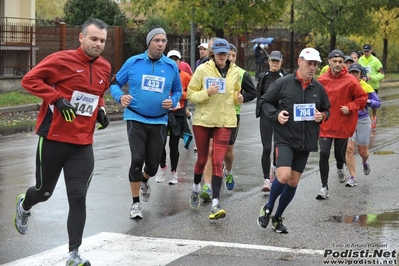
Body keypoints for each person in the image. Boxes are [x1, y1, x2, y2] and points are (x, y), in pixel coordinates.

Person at [13, 18, 111, 265]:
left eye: (102, 40)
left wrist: (101, 109)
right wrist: (56, 98)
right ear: (81, 37)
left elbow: (97, 94)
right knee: (44, 192)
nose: (98, 44)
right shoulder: (61, 60)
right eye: (94, 39)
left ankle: (73, 254)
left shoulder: (105, 67)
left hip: (83, 143)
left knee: (78, 197)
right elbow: (29, 80)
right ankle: (25, 205)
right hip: (54, 139)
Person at [110, 26, 182, 219]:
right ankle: (135, 204)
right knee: (136, 160)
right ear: (149, 42)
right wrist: (120, 97)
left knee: (151, 165)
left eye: (163, 41)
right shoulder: (133, 62)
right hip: (135, 117)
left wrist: (173, 101)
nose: (160, 44)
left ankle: (144, 180)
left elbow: (178, 91)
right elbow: (114, 83)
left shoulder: (171, 66)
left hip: (159, 120)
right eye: (156, 40)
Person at [257, 47, 330, 233]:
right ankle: (268, 207)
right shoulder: (283, 83)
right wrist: (276, 115)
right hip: (285, 138)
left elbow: (327, 110)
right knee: (283, 176)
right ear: (300, 62)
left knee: (293, 181)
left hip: (305, 142)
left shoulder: (318, 88)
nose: (312, 67)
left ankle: (277, 217)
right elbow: (264, 102)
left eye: (315, 64)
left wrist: (322, 116)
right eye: (309, 63)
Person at [187, 38, 243, 220]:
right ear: (213, 54)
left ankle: (215, 204)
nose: (222, 56)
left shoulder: (234, 71)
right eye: (219, 53)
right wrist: (206, 93)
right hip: (203, 121)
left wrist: (238, 98)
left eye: (225, 53)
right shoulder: (203, 69)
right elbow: (190, 94)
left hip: (225, 121)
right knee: (203, 160)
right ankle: (196, 188)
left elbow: (235, 92)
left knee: (218, 161)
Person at [199, 43, 257, 197]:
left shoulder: (240, 73)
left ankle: (229, 171)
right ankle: (207, 186)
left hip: (232, 115)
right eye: (227, 55)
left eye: (232, 55)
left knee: (228, 153)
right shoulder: (210, 70)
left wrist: (242, 98)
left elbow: (253, 93)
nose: (229, 58)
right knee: (210, 149)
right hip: (213, 114)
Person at [316, 49, 368, 200]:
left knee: (340, 154)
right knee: (324, 153)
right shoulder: (322, 80)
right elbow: (314, 98)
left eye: (340, 62)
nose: (337, 64)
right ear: (329, 61)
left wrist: (350, 107)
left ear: (343, 63)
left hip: (343, 124)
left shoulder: (351, 81)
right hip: (325, 123)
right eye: (335, 61)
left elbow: (362, 99)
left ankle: (340, 166)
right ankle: (324, 187)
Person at [155, 49, 191, 184]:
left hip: (178, 114)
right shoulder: (162, 73)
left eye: (177, 59)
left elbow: (192, 91)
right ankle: (162, 167)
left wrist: (180, 94)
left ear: (180, 61)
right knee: (160, 143)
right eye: (172, 59)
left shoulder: (186, 76)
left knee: (174, 145)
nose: (174, 62)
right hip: (163, 113)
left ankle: (174, 172)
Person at [345, 63, 381, 187]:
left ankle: (365, 161)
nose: (354, 75)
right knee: (349, 149)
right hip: (348, 120)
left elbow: (378, 103)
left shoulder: (366, 87)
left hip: (363, 120)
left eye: (356, 72)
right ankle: (352, 177)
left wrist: (368, 101)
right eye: (352, 72)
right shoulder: (344, 86)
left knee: (362, 152)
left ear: (361, 74)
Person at [256, 50, 285, 192]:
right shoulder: (263, 77)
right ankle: (266, 179)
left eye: (277, 61)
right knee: (267, 148)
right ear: (268, 62)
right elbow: (259, 96)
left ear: (281, 62)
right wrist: (260, 110)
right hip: (266, 116)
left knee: (278, 148)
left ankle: (274, 168)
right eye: (272, 60)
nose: (274, 63)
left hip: (280, 116)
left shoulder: (285, 77)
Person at [358, 44, 385, 129]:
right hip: (362, 85)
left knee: (373, 103)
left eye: (367, 51)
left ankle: (373, 117)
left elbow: (382, 74)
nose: (366, 53)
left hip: (373, 86)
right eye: (364, 51)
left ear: (371, 51)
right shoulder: (360, 60)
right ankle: (365, 118)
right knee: (363, 102)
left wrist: (372, 77)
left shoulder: (376, 61)